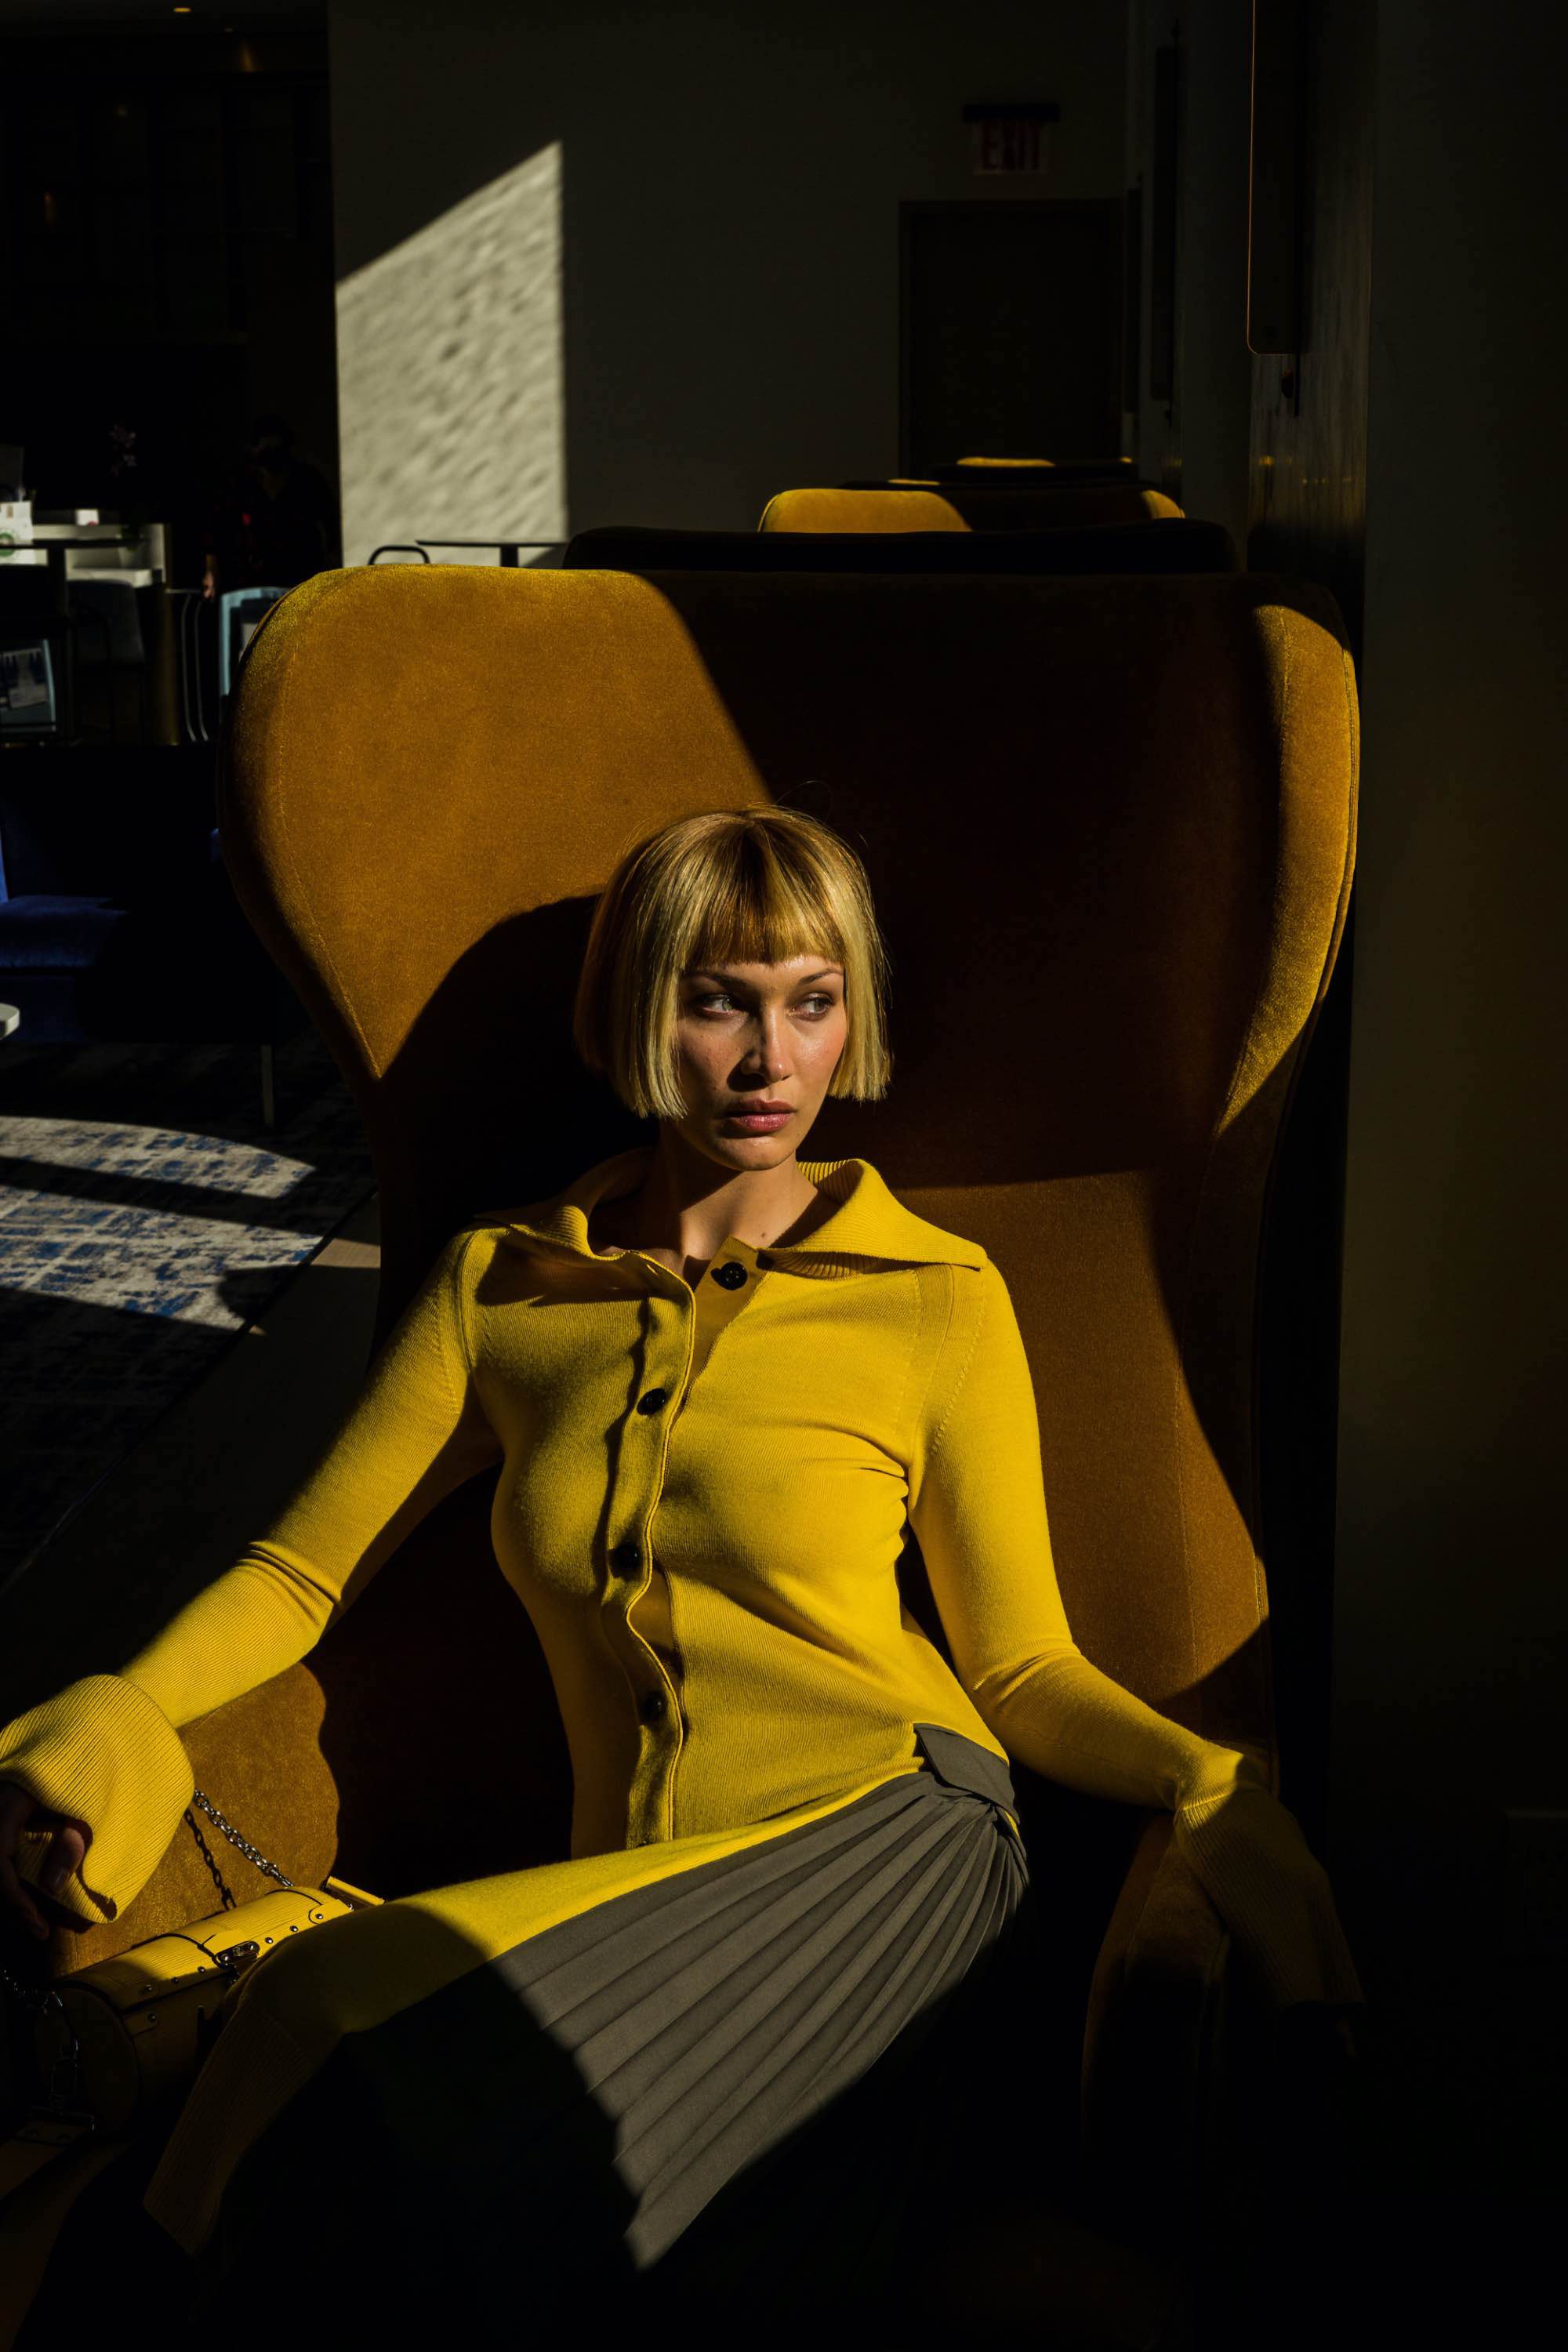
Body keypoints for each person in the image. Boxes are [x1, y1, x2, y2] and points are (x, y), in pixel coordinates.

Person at [0, 807, 1365, 2331]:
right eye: (718, 1001)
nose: (771, 1058)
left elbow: (1022, 1666)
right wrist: (126, 1701)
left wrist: (1204, 1781)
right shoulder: (504, 1285)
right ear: (637, 1014)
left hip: (889, 1842)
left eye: (812, 1000)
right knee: (452, 2204)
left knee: (333, 2010)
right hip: (624, 1909)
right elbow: (298, 1573)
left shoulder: (935, 1298)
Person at [200, 413, 336, 602]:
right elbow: (214, 531)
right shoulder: (237, 485)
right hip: (249, 583)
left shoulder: (308, 481)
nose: (272, 456)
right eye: (265, 450)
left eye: (278, 450)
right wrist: (211, 570)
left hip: (299, 580)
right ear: (252, 449)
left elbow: (331, 526)